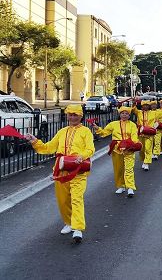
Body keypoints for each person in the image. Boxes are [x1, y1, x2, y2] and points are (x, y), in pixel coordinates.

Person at [25, 104, 95, 243]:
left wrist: (81, 156)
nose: (73, 117)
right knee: (63, 201)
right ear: (67, 115)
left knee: (76, 199)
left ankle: (78, 229)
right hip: (61, 170)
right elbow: (49, 147)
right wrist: (35, 142)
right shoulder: (62, 131)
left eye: (75, 115)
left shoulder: (86, 131)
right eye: (70, 114)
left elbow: (90, 148)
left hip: (78, 170)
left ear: (81, 116)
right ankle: (69, 222)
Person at [93, 106, 140, 197]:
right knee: (118, 169)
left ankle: (130, 188)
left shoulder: (132, 125)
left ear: (129, 115)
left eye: (126, 114)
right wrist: (97, 128)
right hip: (116, 149)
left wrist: (131, 145)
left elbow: (134, 137)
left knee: (129, 169)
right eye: (122, 113)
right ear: (120, 114)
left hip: (129, 149)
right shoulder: (113, 124)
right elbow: (104, 132)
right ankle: (121, 186)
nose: (124, 115)